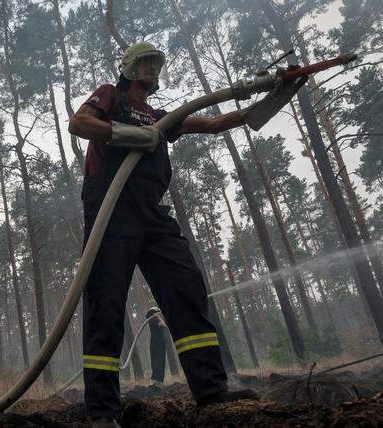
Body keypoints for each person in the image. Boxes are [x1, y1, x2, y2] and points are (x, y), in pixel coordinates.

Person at [67, 41, 303, 427]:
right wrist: (128, 134)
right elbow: (79, 124)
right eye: (144, 63)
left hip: (151, 213)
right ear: (127, 68)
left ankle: (211, 390)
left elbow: (210, 124)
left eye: (156, 64)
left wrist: (274, 98)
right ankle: (102, 413)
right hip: (111, 210)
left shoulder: (162, 115)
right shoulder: (110, 96)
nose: (151, 69)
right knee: (106, 304)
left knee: (186, 287)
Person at [145, 307, 167, 389]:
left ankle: (156, 383)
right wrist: (158, 317)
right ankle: (157, 384)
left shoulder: (153, 321)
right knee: (159, 362)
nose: (160, 314)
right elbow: (164, 325)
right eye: (158, 313)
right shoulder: (153, 320)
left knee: (157, 363)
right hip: (158, 345)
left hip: (156, 344)